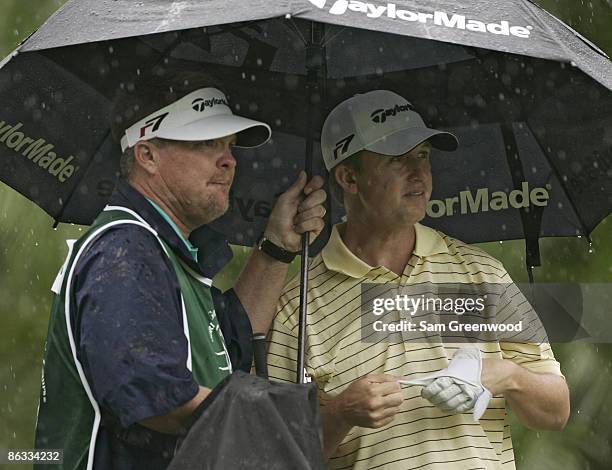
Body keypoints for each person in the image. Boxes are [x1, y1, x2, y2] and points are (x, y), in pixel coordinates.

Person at [34, 71, 327, 469]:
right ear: (147, 155)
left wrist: (277, 246)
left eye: (229, 145)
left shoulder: (161, 250)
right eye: (207, 143)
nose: (229, 160)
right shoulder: (125, 250)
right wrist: (289, 420)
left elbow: (226, 352)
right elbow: (156, 396)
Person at [266, 90, 570, 469]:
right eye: (397, 159)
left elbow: (556, 411)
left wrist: (503, 374)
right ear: (348, 177)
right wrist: (342, 414)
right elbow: (274, 456)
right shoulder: (295, 308)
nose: (419, 173)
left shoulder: (481, 272)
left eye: (423, 156)